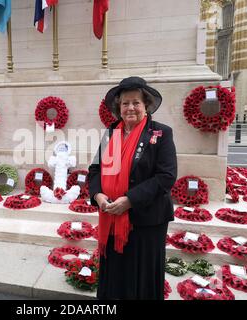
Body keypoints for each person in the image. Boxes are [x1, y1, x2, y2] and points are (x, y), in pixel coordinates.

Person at [88, 76, 177, 300]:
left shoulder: (160, 133)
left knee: (142, 279)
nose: (130, 108)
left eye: (136, 102)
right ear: (119, 106)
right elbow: (95, 170)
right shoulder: (111, 133)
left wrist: (129, 200)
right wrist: (98, 196)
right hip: (110, 218)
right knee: (116, 278)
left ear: (145, 105)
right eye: (125, 103)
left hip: (146, 222)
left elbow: (166, 176)